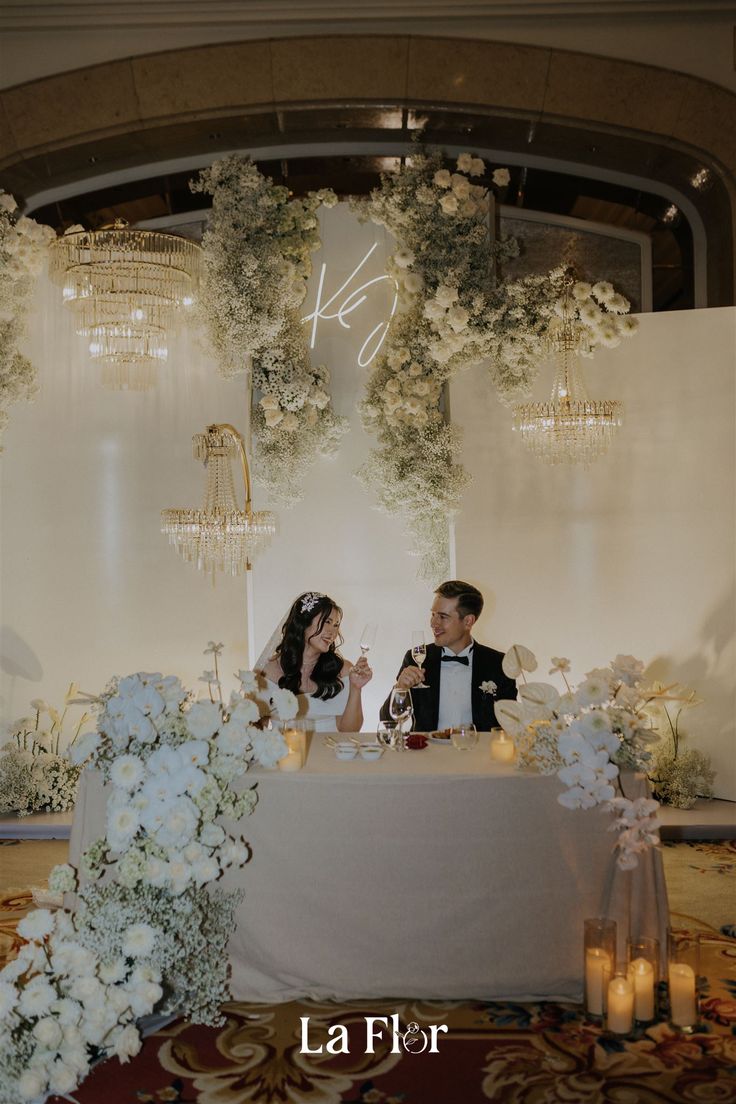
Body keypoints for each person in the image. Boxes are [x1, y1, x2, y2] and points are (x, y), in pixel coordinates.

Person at [380, 580, 516, 732]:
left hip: (478, 754)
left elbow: (511, 724)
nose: (433, 623)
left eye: (443, 617)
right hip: (427, 753)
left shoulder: (499, 663)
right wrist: (400, 688)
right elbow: (387, 720)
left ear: (468, 621)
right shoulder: (416, 658)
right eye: (433, 614)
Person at [258, 592, 372, 733]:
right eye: (327, 622)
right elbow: (256, 728)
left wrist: (356, 688)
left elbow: (350, 730)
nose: (333, 632)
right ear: (304, 622)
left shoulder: (343, 670)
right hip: (287, 753)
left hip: (330, 752)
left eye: (336, 625)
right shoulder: (268, 670)